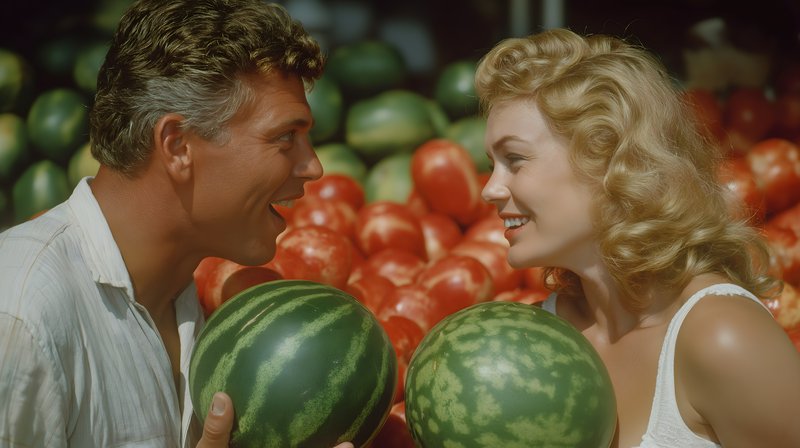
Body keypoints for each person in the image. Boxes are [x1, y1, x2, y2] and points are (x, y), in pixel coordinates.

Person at [0, 0, 352, 447]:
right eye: (285, 137)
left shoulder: (207, 308)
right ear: (177, 145)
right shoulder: (21, 316)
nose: (314, 167)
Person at [477, 28, 800, 447]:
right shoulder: (532, 343)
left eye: (515, 159)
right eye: (492, 164)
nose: (490, 189)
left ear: (606, 160)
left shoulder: (723, 338)